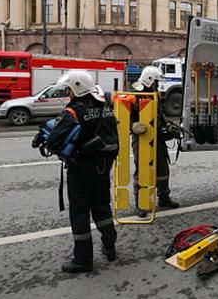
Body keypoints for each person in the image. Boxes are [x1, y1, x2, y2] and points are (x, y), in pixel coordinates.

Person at [45, 70, 119, 273]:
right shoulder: (106, 108)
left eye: (69, 89)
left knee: (80, 213)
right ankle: (110, 247)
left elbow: (53, 142)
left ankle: (83, 260)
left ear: (77, 88)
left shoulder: (74, 112)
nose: (68, 92)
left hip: (81, 170)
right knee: (102, 208)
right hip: (103, 169)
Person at [131, 66, 179, 211]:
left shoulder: (155, 94)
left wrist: (168, 126)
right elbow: (122, 117)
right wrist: (132, 125)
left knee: (162, 169)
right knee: (142, 170)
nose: (157, 85)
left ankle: (164, 197)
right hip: (141, 138)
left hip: (156, 137)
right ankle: (141, 203)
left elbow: (159, 114)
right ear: (149, 80)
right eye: (156, 82)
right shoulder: (134, 95)